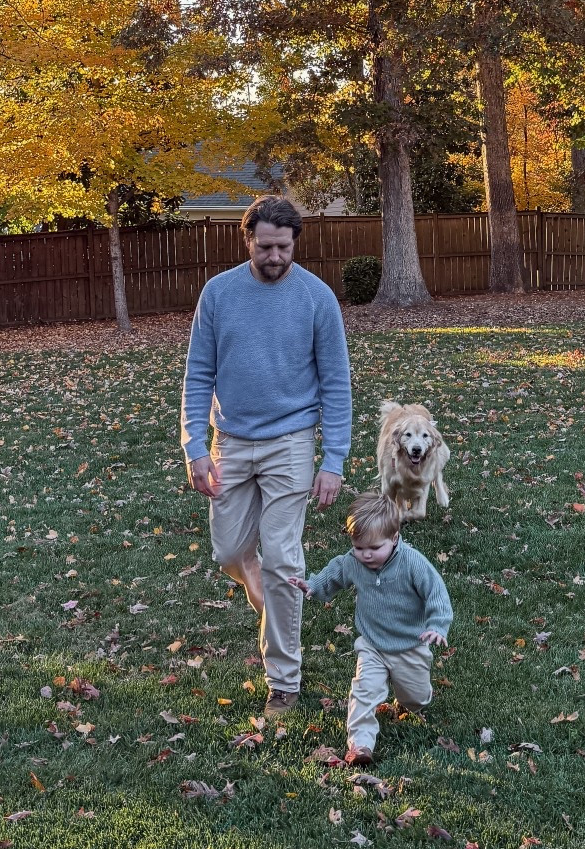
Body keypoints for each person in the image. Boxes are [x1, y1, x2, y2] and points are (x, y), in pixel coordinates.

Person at [180, 195, 352, 719]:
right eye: (266, 246)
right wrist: (193, 446)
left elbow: (336, 384)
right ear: (248, 240)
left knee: (283, 559)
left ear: (294, 242)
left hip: (291, 441)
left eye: (284, 247)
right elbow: (198, 374)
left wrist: (333, 460)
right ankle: (258, 582)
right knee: (230, 553)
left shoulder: (317, 298)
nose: (276, 256)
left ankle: (284, 679)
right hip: (230, 440)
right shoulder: (219, 294)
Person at [292, 490, 453, 766]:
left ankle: (411, 699)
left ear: (393, 538)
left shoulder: (413, 563)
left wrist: (437, 625)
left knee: (415, 699)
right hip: (372, 644)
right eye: (358, 547)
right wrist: (314, 586)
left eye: (374, 548)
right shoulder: (354, 562)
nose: (365, 555)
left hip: (410, 645)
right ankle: (360, 745)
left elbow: (436, 593)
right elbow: (336, 573)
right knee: (363, 691)